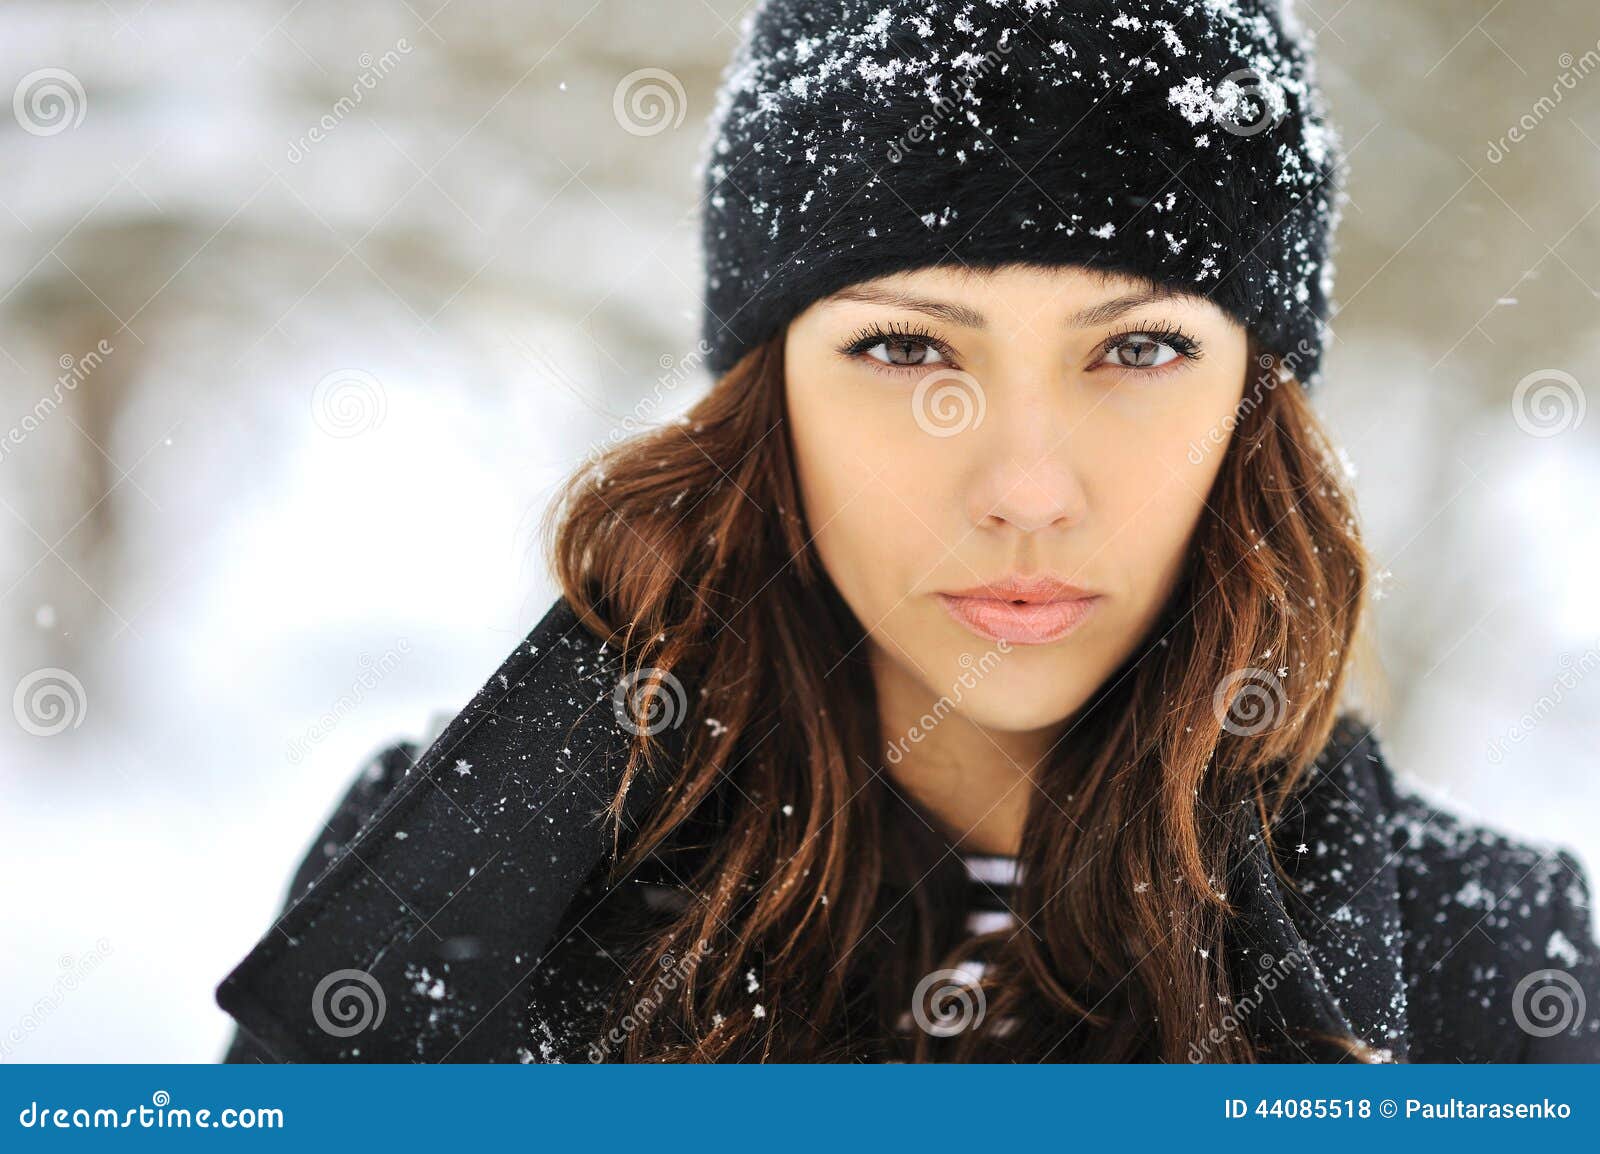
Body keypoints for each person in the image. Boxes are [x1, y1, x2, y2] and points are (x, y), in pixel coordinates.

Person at [216, 0, 1600, 1063]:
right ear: (770, 401)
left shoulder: (1490, 965)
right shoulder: (452, 887)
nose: (1025, 486)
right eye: (903, 347)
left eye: (1135, 351)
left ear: (1257, 402)